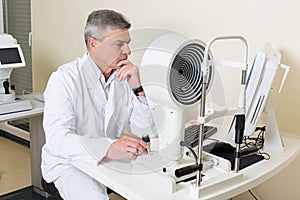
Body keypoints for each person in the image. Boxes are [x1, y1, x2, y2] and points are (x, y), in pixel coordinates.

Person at [41, 9, 156, 200]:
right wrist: (109, 148)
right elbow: (58, 140)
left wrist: (138, 88)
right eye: (119, 44)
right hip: (70, 162)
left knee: (156, 187)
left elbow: (145, 130)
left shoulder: (124, 77)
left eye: (128, 44)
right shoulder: (64, 79)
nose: (127, 51)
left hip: (112, 158)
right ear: (93, 44)